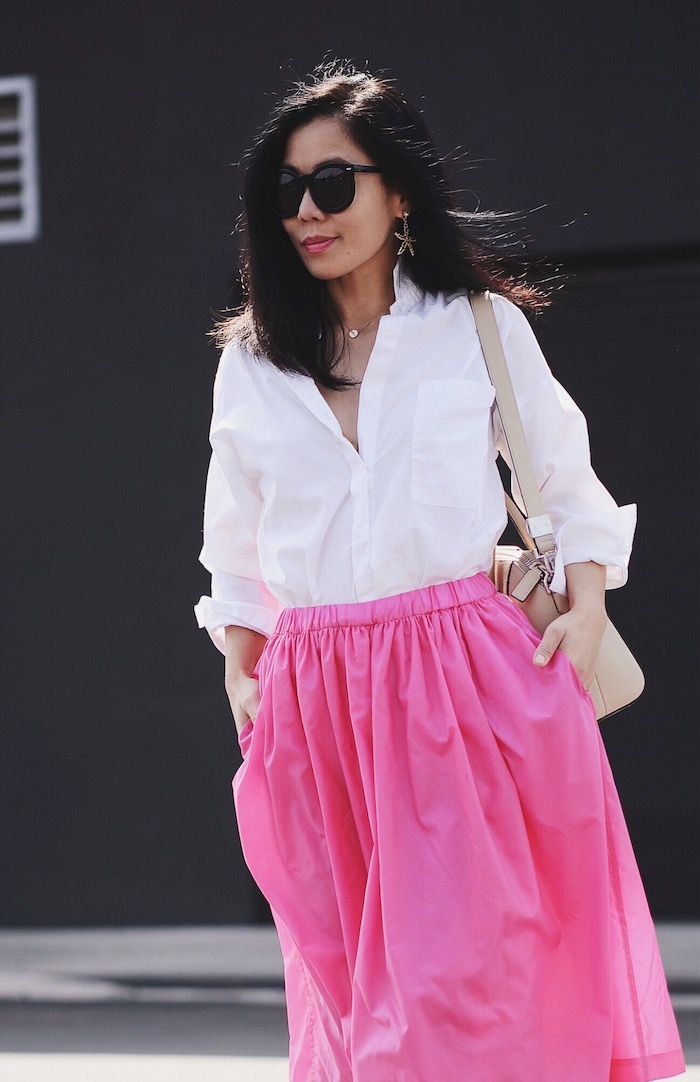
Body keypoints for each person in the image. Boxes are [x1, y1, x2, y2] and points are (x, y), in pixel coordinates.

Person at [195, 61, 684, 1082]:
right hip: (317, 705)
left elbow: (568, 480)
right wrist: (245, 676)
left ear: (396, 191)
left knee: (456, 1001)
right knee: (353, 1006)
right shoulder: (252, 358)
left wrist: (584, 616)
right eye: (284, 192)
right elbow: (234, 544)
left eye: (333, 184)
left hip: (465, 692)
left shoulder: (473, 325)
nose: (307, 211)